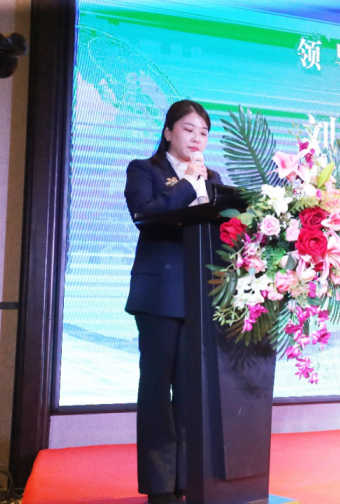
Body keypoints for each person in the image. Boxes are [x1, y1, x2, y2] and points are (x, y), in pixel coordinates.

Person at [124, 100, 222, 504]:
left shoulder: (213, 178)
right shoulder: (144, 170)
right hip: (159, 296)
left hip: (199, 297)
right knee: (155, 389)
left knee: (189, 392)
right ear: (167, 132)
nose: (197, 138)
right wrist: (187, 183)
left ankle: (186, 478)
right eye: (188, 129)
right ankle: (159, 485)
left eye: (203, 132)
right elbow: (145, 214)